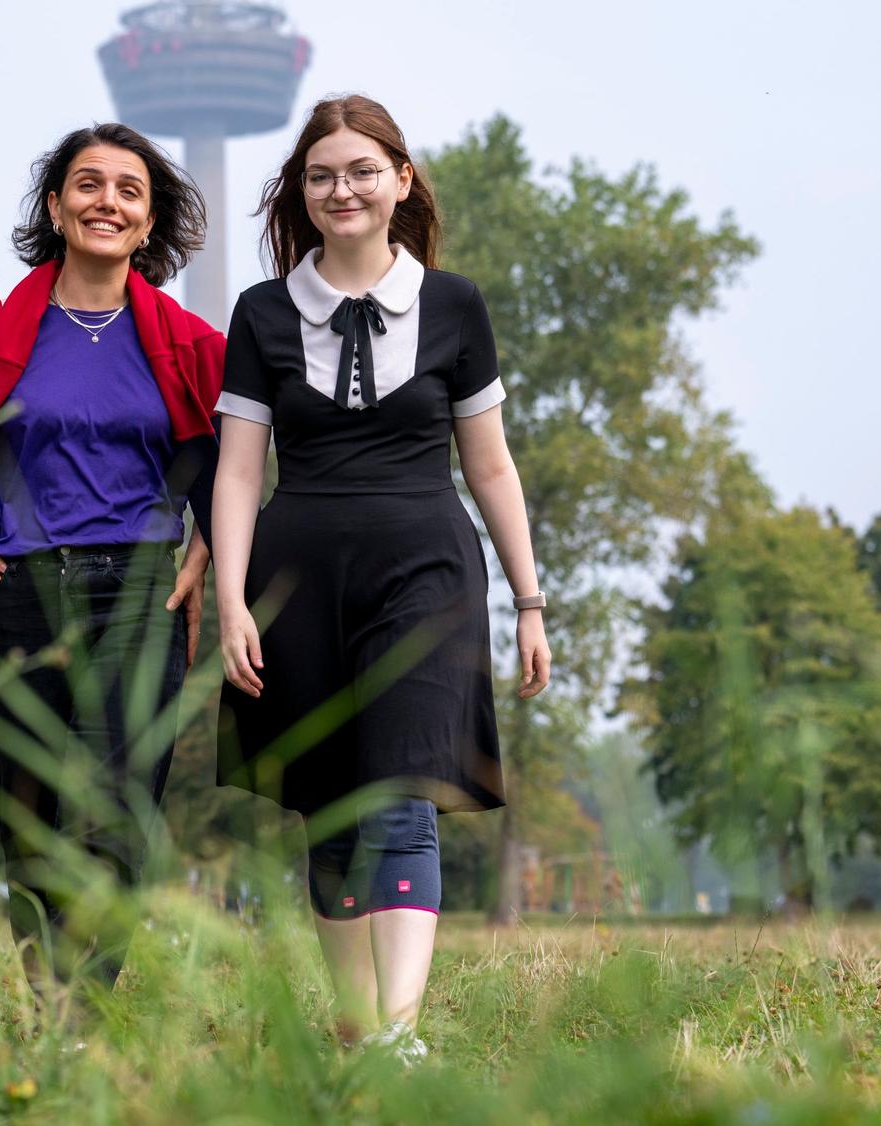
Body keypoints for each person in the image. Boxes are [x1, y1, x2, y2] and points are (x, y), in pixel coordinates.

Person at [211, 95, 552, 1056]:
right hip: (297, 584)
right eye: (321, 174)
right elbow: (239, 469)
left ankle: (401, 1033)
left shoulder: (454, 306)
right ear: (301, 193)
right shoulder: (262, 313)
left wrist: (530, 602)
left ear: (402, 180)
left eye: (363, 169)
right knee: (331, 805)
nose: (341, 189)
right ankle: (356, 1032)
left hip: (427, 571)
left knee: (401, 793)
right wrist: (232, 600)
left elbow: (489, 464)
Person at [0, 122, 223, 997]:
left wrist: (207, 547)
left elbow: (239, 467)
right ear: (55, 205)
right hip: (13, 591)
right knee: (28, 816)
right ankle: (50, 1000)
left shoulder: (191, 346)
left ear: (148, 224)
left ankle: (82, 1008)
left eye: (127, 191)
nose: (106, 201)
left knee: (117, 809)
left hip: (140, 595)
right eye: (87, 184)